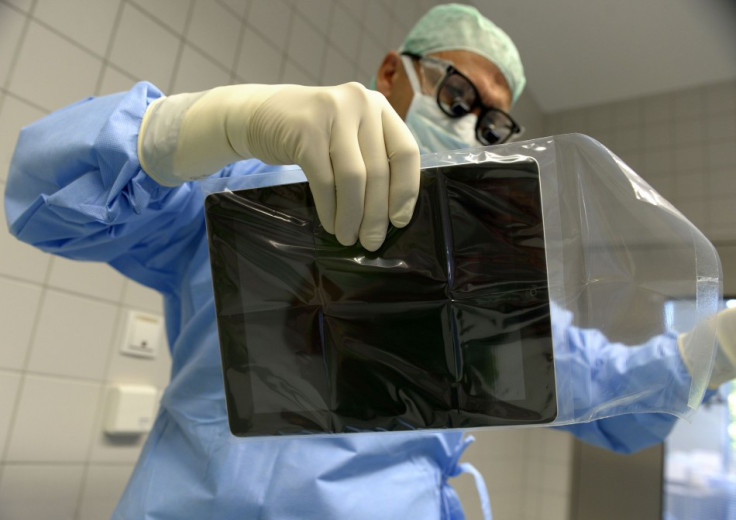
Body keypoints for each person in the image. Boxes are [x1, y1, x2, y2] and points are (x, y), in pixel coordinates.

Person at [4, 3, 734, 519]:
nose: (472, 123)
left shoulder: (479, 269)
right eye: (457, 92)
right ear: (393, 71)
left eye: (492, 120)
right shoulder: (253, 184)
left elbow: (604, 392)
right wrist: (215, 124)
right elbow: (46, 195)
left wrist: (707, 352)